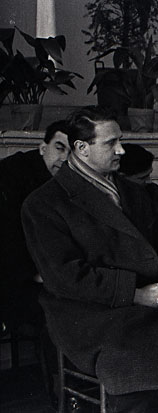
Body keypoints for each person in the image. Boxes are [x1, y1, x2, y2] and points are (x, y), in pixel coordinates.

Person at [21, 107, 158, 412]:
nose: (121, 150)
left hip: (153, 300)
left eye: (120, 140)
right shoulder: (44, 203)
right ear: (82, 148)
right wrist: (136, 294)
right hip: (92, 312)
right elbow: (66, 278)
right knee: (138, 360)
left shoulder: (135, 192)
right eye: (111, 143)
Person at [0, 120, 70, 331]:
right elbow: (8, 233)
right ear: (42, 148)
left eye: (71, 153)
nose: (64, 158)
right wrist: (35, 273)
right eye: (59, 148)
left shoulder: (67, 179)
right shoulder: (12, 173)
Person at [119, 143, 158, 229]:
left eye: (149, 175)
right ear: (121, 177)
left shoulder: (154, 192)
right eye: (142, 178)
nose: (149, 181)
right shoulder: (112, 201)